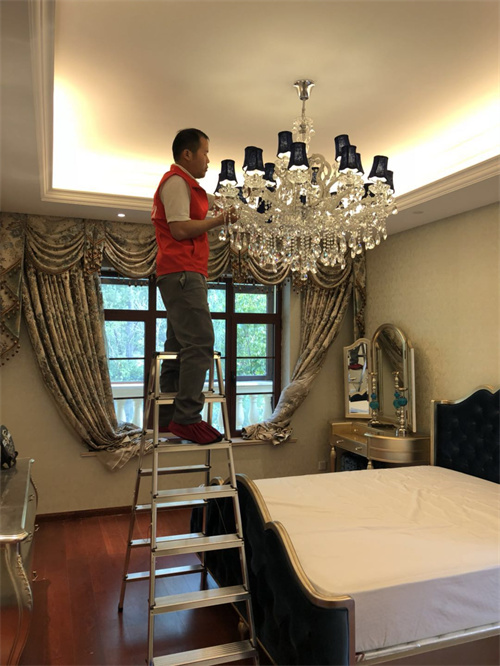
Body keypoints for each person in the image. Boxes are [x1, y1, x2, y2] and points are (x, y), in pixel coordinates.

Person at [151, 128, 236, 444]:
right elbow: (180, 229)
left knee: (178, 346)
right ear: (187, 154)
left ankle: (168, 418)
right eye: (205, 153)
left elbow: (210, 205)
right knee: (201, 342)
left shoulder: (189, 188)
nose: (209, 160)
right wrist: (219, 221)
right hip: (182, 271)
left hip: (180, 273)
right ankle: (187, 417)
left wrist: (229, 207)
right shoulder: (176, 182)